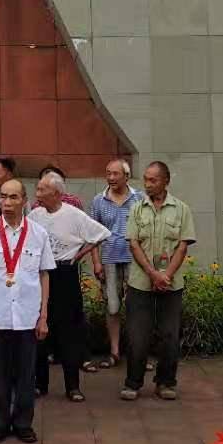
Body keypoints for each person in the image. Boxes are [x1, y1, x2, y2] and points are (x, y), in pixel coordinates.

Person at [0, 177, 53, 444]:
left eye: (13, 197)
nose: (7, 203)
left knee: (27, 373)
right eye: (3, 197)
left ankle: (23, 423)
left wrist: (43, 316)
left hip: (28, 315)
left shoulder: (38, 233)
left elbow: (44, 276)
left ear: (24, 200)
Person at [27, 171, 109, 402]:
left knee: (69, 331)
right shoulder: (34, 215)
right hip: (41, 274)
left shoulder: (74, 215)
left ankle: (72, 386)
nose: (38, 193)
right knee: (40, 328)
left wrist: (79, 254)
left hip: (66, 273)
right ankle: (39, 384)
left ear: (55, 193)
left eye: (42, 189)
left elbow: (101, 234)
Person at [121, 160, 197, 402]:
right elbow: (133, 243)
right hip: (140, 282)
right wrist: (153, 274)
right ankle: (133, 382)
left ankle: (165, 382)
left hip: (171, 283)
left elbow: (183, 245)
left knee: (170, 335)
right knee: (137, 335)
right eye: (145, 179)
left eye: (153, 180)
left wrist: (166, 275)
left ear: (166, 181)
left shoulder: (181, 209)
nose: (148, 184)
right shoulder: (136, 209)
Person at [88, 158, 142, 370]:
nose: (110, 178)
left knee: (136, 308)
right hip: (109, 259)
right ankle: (115, 352)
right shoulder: (98, 201)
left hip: (135, 261)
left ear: (126, 176)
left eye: (115, 174)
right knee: (112, 307)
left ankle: (138, 354)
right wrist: (96, 263)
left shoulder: (139, 199)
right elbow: (93, 236)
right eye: (108, 173)